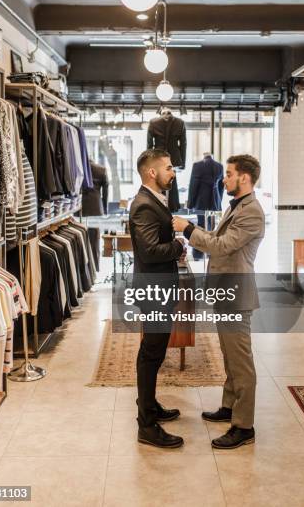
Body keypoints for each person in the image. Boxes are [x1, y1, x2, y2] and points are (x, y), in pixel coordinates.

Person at [173, 154, 265, 450]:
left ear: (245, 178)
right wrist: (195, 234)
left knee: (242, 362)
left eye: (228, 174)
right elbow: (214, 236)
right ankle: (229, 406)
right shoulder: (236, 205)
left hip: (237, 296)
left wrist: (187, 229)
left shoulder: (252, 212)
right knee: (229, 355)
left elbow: (222, 246)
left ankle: (244, 425)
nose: (223, 179)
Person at [129, 149, 185, 448]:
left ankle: (149, 407)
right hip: (154, 290)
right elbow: (150, 252)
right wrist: (178, 247)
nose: (172, 172)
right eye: (168, 167)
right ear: (152, 172)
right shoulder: (144, 205)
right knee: (151, 353)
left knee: (154, 351)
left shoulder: (152, 201)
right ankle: (146, 426)